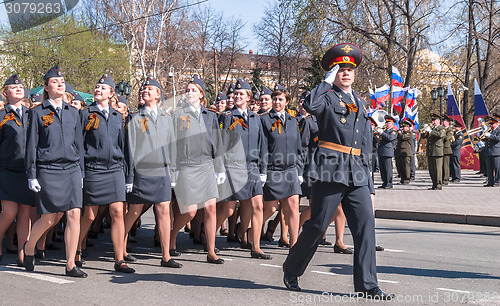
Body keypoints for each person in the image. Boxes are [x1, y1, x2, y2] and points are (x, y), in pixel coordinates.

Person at [282, 43, 394, 300]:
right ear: (333, 73)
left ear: (355, 74)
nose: (345, 73)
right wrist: (325, 80)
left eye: (349, 69)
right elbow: (310, 105)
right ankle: (292, 267)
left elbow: (365, 144)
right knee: (318, 226)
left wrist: (371, 185)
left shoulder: (362, 103)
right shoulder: (327, 96)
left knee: (366, 226)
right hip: (330, 170)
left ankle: (368, 285)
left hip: (357, 174)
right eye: (340, 69)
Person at [24, 65, 87, 277]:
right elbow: (31, 145)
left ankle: (70, 264)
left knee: (74, 214)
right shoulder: (37, 112)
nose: (60, 84)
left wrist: (81, 173)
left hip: (71, 169)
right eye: (54, 82)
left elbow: (79, 144)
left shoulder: (74, 112)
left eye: (62, 82)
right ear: (46, 87)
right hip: (48, 169)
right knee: (50, 218)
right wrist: (31, 175)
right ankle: (29, 246)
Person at [76, 74, 134, 273]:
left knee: (118, 212)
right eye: (97, 87)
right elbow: (80, 145)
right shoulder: (85, 114)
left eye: (103, 88)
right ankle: (76, 248)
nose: (98, 90)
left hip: (115, 169)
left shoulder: (118, 117)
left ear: (111, 94)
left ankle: (119, 259)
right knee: (90, 215)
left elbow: (124, 147)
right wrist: (81, 172)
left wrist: (128, 175)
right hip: (94, 169)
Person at [124, 76, 181, 268]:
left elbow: (173, 145)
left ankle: (166, 255)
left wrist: (173, 171)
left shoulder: (167, 117)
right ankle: (121, 250)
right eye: (143, 89)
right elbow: (130, 148)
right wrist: (130, 176)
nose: (145, 91)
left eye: (149, 89)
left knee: (163, 210)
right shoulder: (134, 116)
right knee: (134, 211)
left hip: (162, 170)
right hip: (142, 170)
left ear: (158, 94)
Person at [170, 75, 225, 264]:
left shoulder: (210, 115)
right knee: (191, 211)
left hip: (207, 166)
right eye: (188, 90)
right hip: (187, 166)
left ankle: (211, 250)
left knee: (211, 209)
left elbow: (216, 143)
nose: (190, 92)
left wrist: (220, 168)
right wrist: (174, 169)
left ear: (202, 95)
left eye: (194, 90)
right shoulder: (178, 114)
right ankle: (171, 236)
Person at [218, 79, 270, 259]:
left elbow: (262, 145)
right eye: (236, 94)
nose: (237, 96)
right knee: (228, 210)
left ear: (248, 98)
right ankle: (207, 236)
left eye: (241, 94)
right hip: (232, 168)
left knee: (257, 205)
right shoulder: (226, 117)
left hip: (252, 168)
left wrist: (263, 170)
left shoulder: (256, 118)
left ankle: (255, 246)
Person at [261, 85, 303, 249]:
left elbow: (298, 148)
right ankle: (250, 232)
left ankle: (295, 244)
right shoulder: (265, 120)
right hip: (273, 170)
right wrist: (263, 172)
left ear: (287, 102)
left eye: (280, 99)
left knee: (293, 206)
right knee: (271, 208)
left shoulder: (293, 121)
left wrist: (299, 171)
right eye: (275, 99)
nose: (277, 102)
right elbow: (263, 147)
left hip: (291, 170)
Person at [0, 74, 36, 266]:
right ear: (6, 93)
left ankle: (23, 252)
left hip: (27, 170)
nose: (19, 89)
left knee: (25, 213)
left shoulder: (32, 114)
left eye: (21, 86)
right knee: (9, 212)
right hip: (7, 169)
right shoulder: (1, 115)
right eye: (14, 88)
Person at [421, 113, 445, 190]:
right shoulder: (432, 128)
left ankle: (439, 184)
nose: (433, 121)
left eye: (434, 120)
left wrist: (431, 131)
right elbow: (423, 136)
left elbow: (440, 135)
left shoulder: (441, 128)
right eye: (432, 120)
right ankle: (434, 184)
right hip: (430, 151)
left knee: (438, 169)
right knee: (431, 169)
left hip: (437, 151)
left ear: (438, 121)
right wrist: (424, 131)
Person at [377, 115, 397, 189]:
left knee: (388, 169)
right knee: (382, 169)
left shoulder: (393, 132)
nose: (386, 124)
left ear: (392, 124)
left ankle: (389, 183)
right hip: (381, 151)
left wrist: (382, 133)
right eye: (386, 123)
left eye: (388, 123)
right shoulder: (385, 131)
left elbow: (390, 138)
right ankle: (384, 182)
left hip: (387, 152)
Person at [483, 113, 500, 187]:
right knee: (489, 168)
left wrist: (490, 136)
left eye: (492, 124)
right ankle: (490, 181)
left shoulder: (499, 130)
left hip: (496, 151)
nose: (491, 125)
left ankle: (497, 181)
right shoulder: (491, 130)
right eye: (490, 124)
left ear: (496, 124)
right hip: (489, 151)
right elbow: (487, 139)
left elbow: (498, 138)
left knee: (497, 168)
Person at [395, 118, 414, 184]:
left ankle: (406, 179)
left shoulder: (409, 133)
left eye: (405, 127)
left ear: (408, 127)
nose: (404, 128)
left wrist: (399, 133)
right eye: (403, 127)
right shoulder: (402, 133)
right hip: (400, 152)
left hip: (406, 152)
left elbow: (403, 137)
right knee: (401, 167)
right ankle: (402, 179)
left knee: (406, 167)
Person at [441, 115, 453, 185]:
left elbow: (447, 138)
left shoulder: (449, 130)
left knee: (445, 166)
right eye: (442, 121)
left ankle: (445, 180)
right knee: (441, 166)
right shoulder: (442, 129)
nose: (443, 122)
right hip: (441, 149)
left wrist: (441, 135)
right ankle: (442, 178)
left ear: (447, 122)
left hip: (446, 149)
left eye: (444, 121)